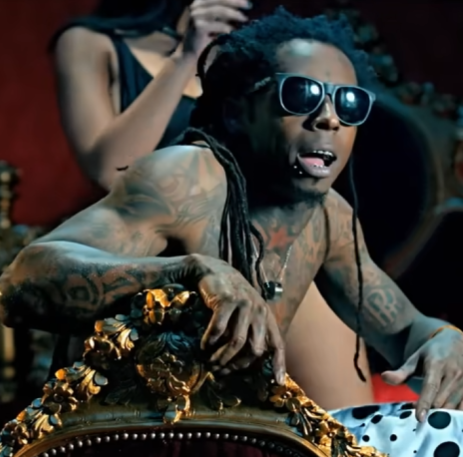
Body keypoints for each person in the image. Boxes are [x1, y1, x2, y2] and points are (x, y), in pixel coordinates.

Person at [0, 7, 463, 457]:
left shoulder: (327, 217)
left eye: (349, 103)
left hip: (267, 441)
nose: (328, 116)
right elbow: (24, 279)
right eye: (301, 95)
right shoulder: (186, 177)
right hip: (162, 448)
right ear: (239, 111)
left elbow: (403, 329)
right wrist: (192, 272)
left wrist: (443, 337)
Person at [51, 0, 372, 409]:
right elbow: (110, 169)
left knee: (348, 428)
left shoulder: (248, 56)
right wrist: (187, 57)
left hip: (251, 250)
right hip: (153, 255)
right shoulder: (89, 42)